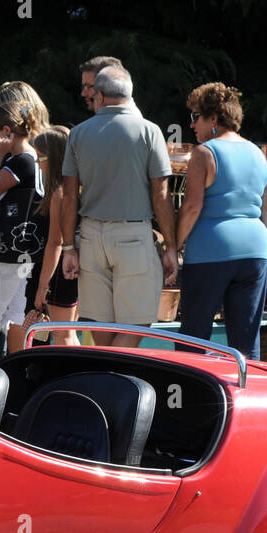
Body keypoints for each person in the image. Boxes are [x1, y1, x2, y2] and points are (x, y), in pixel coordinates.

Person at [60, 66, 177, 347]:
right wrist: (172, 246)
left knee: (98, 323)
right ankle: (115, 379)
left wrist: (68, 247)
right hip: (134, 236)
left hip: (89, 236)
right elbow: (161, 195)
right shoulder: (150, 131)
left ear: (99, 95)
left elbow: (69, 195)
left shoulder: (78, 133)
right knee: (137, 322)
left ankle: (105, 382)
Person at [174, 83, 267, 359]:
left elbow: (192, 207)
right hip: (255, 251)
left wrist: (173, 246)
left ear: (214, 119)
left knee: (193, 338)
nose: (192, 126)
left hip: (211, 251)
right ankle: (244, 397)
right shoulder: (259, 154)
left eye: (196, 117)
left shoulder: (204, 153)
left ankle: (191, 398)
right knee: (245, 342)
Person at [0, 100, 44, 362]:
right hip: (21, 255)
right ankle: (18, 378)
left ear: (7, 131)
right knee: (12, 318)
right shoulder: (34, 158)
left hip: (5, 256)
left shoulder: (20, 162)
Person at [30, 125, 80, 346]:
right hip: (75, 269)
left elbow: (55, 243)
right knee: (69, 333)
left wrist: (43, 286)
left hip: (61, 273)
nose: (38, 164)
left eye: (40, 158)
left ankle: (73, 381)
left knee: (62, 335)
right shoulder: (75, 187)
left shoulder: (60, 192)